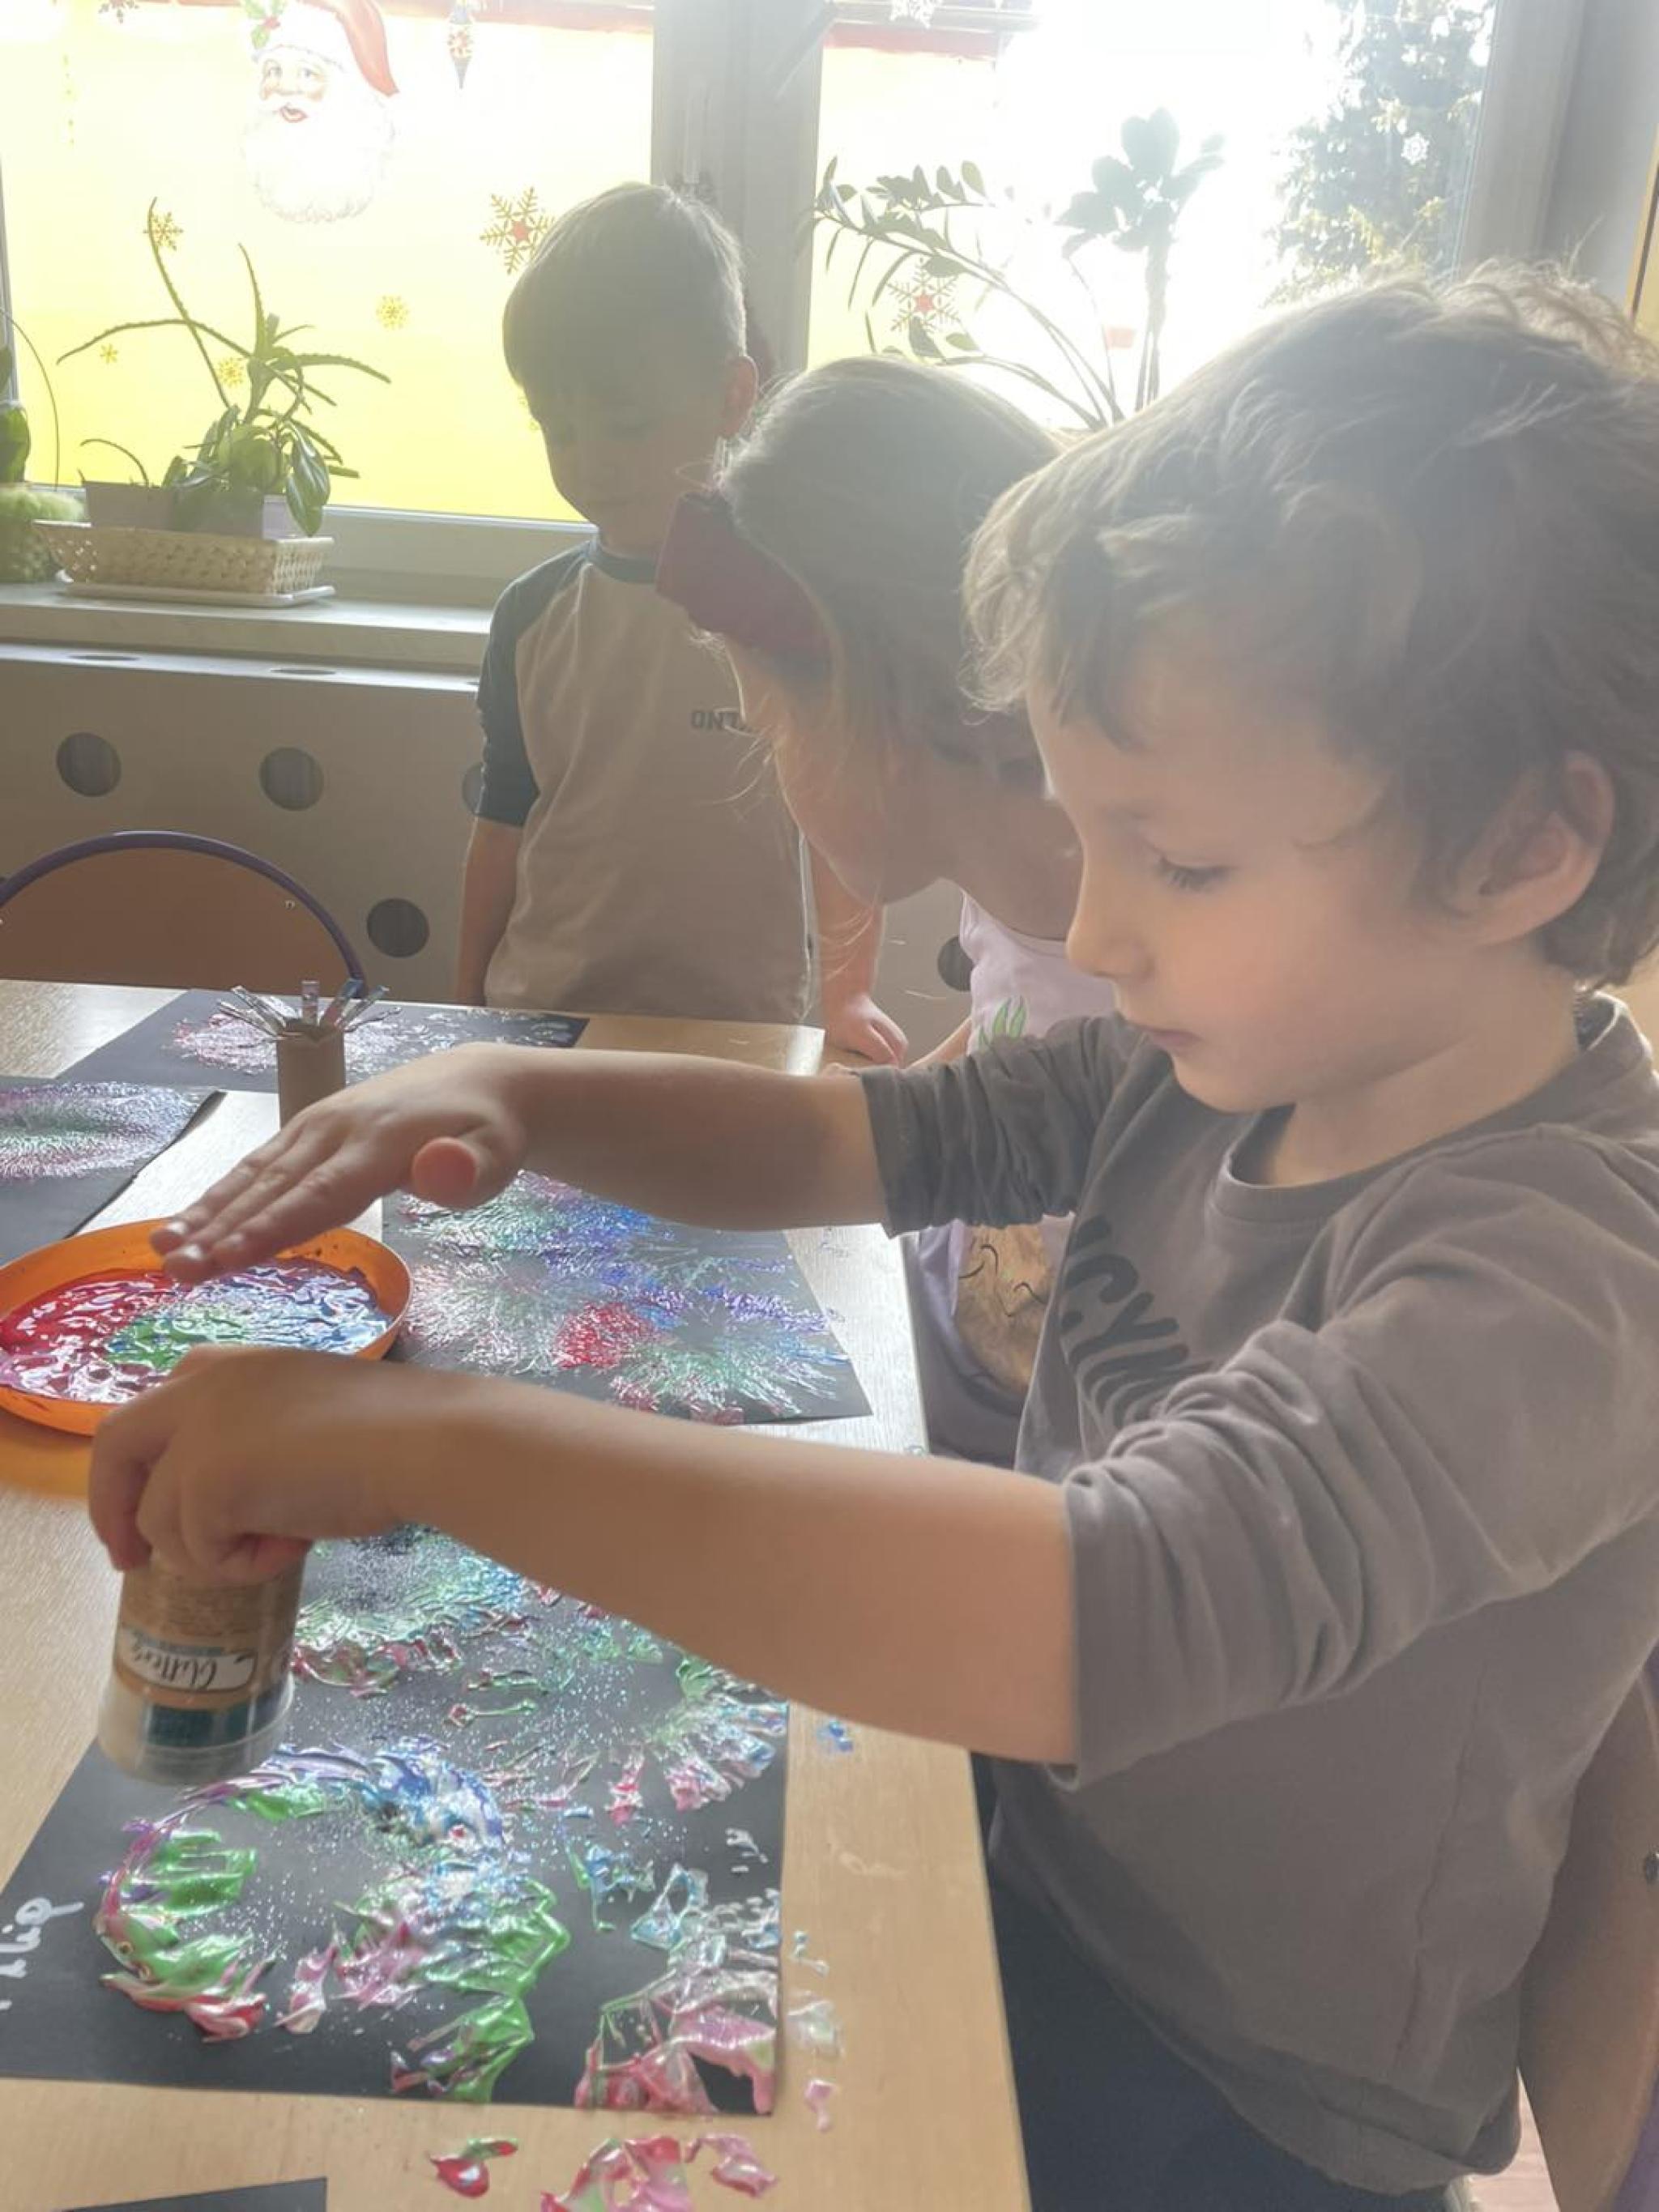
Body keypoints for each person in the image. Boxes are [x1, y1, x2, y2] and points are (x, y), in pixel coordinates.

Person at [95, 268, 1659, 2211]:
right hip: (1033, 1875)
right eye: (1085, 835)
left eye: (1176, 860)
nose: (1094, 929)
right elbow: (873, 1139)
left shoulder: (1562, 1276)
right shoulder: (1226, 1058)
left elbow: (1117, 1606)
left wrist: (425, 1446)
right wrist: (515, 1090)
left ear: (1516, 847)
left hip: (1257, 2100)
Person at [655, 356, 1118, 1464]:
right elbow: (1008, 1036)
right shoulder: (1025, 861)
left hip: (1032, 1442)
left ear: (880, 716)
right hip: (941, 1337)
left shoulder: (1149, 971)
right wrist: (865, 1119)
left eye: (769, 728)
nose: (772, 765)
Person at [458, 181, 902, 1061]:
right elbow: (502, 823)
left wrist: (849, 993)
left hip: (740, 1027)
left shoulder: (790, 608)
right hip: (547, 1019)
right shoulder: (533, 617)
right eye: (559, 430)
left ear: (732, 396)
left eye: (625, 425)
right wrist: (464, 1002)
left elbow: (843, 821)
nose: (590, 463)